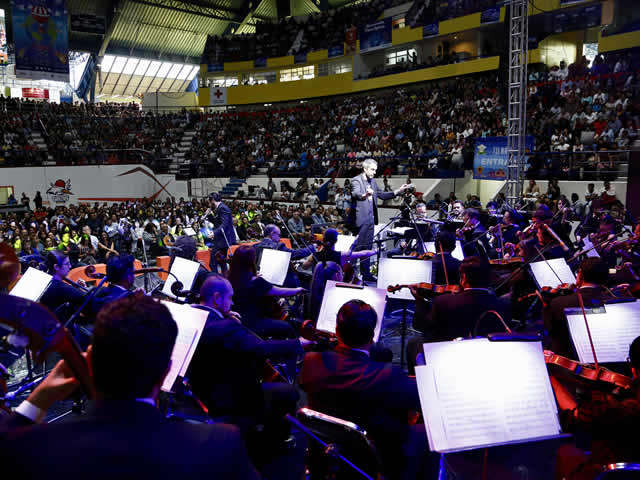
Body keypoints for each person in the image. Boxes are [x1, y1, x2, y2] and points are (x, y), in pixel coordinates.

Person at [0, 294, 260, 480]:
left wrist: (37, 400)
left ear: (89, 360)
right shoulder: (219, 445)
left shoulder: (36, 447)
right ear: (166, 372)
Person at [299, 299, 438, 480]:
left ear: (336, 331)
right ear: (372, 334)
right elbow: (425, 402)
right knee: (429, 432)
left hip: (328, 449)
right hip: (374, 458)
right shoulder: (388, 375)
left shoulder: (311, 361)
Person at [188, 275, 305, 479]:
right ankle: (271, 443)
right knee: (287, 392)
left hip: (199, 389)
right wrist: (298, 344)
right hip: (227, 397)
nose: (232, 303)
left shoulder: (191, 313)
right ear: (216, 298)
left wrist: (225, 316)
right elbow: (260, 348)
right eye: (230, 298)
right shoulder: (224, 327)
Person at [551, 335, 640, 480]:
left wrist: (553, 382)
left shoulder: (621, 411)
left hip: (617, 474)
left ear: (634, 369)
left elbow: (575, 415)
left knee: (565, 452)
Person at [417, 257, 512, 343]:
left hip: (448, 354)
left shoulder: (442, 302)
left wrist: (419, 300)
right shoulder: (503, 305)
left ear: (464, 278)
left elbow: (423, 327)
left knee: (413, 343)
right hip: (486, 356)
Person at [350, 159, 411, 281]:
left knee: (367, 248)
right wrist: (364, 195)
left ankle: (366, 274)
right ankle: (352, 276)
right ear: (365, 169)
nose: (374, 172)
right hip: (360, 222)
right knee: (357, 249)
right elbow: (356, 193)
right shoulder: (356, 180)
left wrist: (398, 191)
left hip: (371, 221)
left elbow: (382, 195)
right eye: (372, 169)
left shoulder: (372, 182)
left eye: (375, 170)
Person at [543, 257, 617, 358]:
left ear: (580, 274)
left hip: (568, 365)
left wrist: (545, 308)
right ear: (605, 278)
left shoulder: (558, 303)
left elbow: (550, 333)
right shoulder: (616, 303)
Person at [227, 245, 304, 338]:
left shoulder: (228, 277)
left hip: (237, 319)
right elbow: (279, 291)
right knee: (286, 327)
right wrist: (297, 290)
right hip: (254, 323)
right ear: (252, 260)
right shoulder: (256, 281)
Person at [38, 250, 87, 318]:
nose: (70, 266)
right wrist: (82, 290)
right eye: (67, 264)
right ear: (56, 267)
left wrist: (73, 287)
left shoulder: (46, 279)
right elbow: (87, 300)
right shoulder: (61, 287)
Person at [205, 192, 236, 273]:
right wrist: (209, 215)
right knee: (222, 262)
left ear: (213, 200)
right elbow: (217, 223)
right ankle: (224, 278)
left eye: (209, 202)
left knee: (213, 263)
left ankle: (215, 280)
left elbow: (224, 224)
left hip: (222, 240)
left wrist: (214, 233)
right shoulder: (220, 208)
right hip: (222, 240)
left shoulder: (222, 208)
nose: (209, 204)